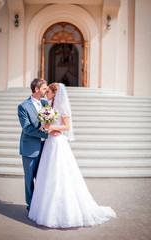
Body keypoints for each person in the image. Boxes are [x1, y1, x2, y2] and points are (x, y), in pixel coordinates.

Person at [28, 82, 116, 228]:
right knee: (48, 176)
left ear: (55, 93)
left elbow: (67, 126)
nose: (46, 94)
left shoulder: (61, 106)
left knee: (61, 175)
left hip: (58, 143)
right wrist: (45, 127)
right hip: (49, 143)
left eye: (48, 91)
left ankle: (66, 212)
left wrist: (52, 127)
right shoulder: (49, 107)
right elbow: (48, 124)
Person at [17, 78, 60, 211]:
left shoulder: (44, 103)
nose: (46, 90)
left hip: (45, 147)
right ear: (36, 89)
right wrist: (46, 134)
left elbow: (49, 121)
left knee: (42, 177)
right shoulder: (23, 107)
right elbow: (27, 129)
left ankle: (41, 203)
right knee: (29, 178)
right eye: (44, 88)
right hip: (30, 147)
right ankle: (31, 205)